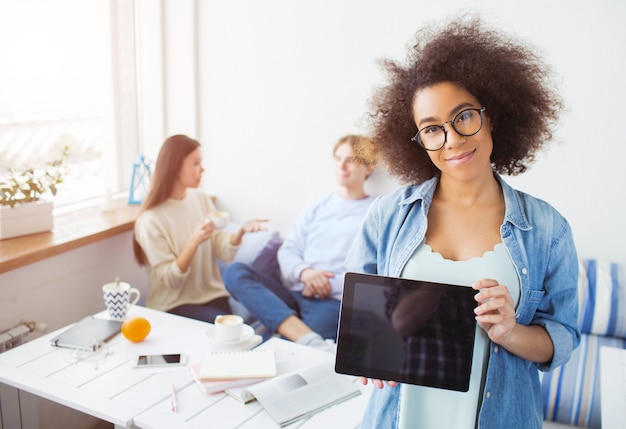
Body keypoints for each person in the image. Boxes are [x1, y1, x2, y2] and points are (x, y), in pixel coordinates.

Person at [345, 17, 580, 429]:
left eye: (464, 117)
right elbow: (357, 318)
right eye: (432, 129)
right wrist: (367, 345)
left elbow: (562, 339)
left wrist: (510, 331)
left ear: (493, 116)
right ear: (417, 140)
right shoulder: (387, 215)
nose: (451, 139)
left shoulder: (547, 229)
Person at [223, 134, 378, 350]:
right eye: (338, 158)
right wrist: (305, 273)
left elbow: (374, 272)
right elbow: (289, 249)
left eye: (351, 160)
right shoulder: (320, 204)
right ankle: (305, 338)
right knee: (234, 272)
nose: (342, 165)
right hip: (294, 292)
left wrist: (323, 284)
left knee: (285, 352)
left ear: (369, 167)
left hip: (333, 303)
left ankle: (287, 334)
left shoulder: (377, 211)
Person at [133, 134, 267, 323]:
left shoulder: (200, 199)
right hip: (173, 305)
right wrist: (194, 241)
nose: (202, 169)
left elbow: (223, 250)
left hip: (213, 297)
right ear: (174, 166)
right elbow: (171, 281)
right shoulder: (150, 220)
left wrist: (241, 232)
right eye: (195, 163)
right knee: (228, 335)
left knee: (238, 334)